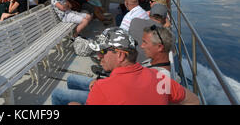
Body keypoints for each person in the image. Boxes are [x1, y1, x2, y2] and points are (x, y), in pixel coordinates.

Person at [67, 27, 199, 105]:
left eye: (102, 51)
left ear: (120, 55)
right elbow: (194, 101)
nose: (98, 56)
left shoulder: (102, 89)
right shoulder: (160, 78)